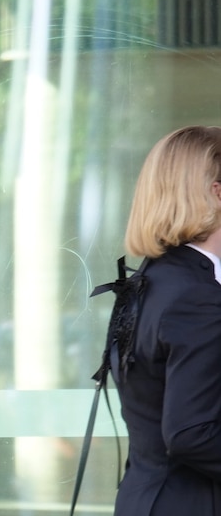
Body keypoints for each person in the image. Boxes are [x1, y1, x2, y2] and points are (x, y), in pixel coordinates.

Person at [112, 125, 221, 515]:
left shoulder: (148, 283)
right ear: (217, 192)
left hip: (147, 499)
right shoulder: (196, 296)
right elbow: (192, 434)